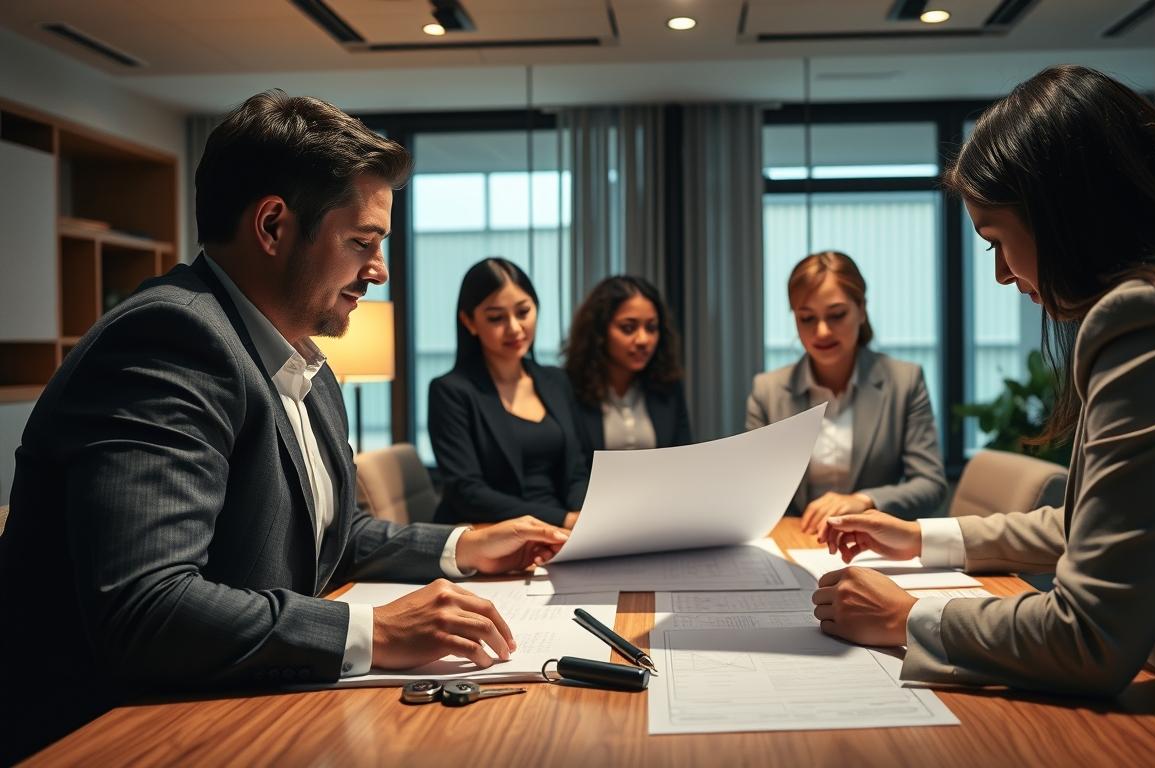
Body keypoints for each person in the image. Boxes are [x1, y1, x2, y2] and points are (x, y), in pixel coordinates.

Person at [0, 92, 571, 763]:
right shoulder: (170, 340)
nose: (379, 270)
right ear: (273, 225)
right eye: (362, 242)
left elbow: (333, 536)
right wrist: (375, 631)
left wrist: (466, 546)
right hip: (115, 736)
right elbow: (147, 608)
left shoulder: (301, 360)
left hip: (242, 708)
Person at [811, 66, 1155, 765]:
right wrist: (918, 537)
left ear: (1065, 212)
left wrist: (906, 615)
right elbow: (1104, 519)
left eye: (995, 239)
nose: (1002, 273)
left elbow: (1091, 634)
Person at [746, 251, 947, 532]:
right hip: (795, 537)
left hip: (874, 541)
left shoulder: (904, 381)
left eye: (837, 315)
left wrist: (864, 501)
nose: (822, 331)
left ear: (861, 309)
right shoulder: (767, 391)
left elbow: (931, 485)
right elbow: (754, 488)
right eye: (807, 318)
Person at [429, 258, 588, 528]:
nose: (514, 328)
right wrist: (562, 520)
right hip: (493, 530)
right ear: (469, 322)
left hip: (563, 529)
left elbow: (577, 471)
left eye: (523, 312)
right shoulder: (451, 391)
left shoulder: (556, 380)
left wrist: (582, 516)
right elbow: (467, 492)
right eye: (496, 318)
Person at [563, 275, 693, 469]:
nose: (643, 340)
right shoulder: (568, 388)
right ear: (600, 332)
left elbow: (683, 460)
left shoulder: (668, 386)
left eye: (651, 328)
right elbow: (571, 470)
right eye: (628, 328)